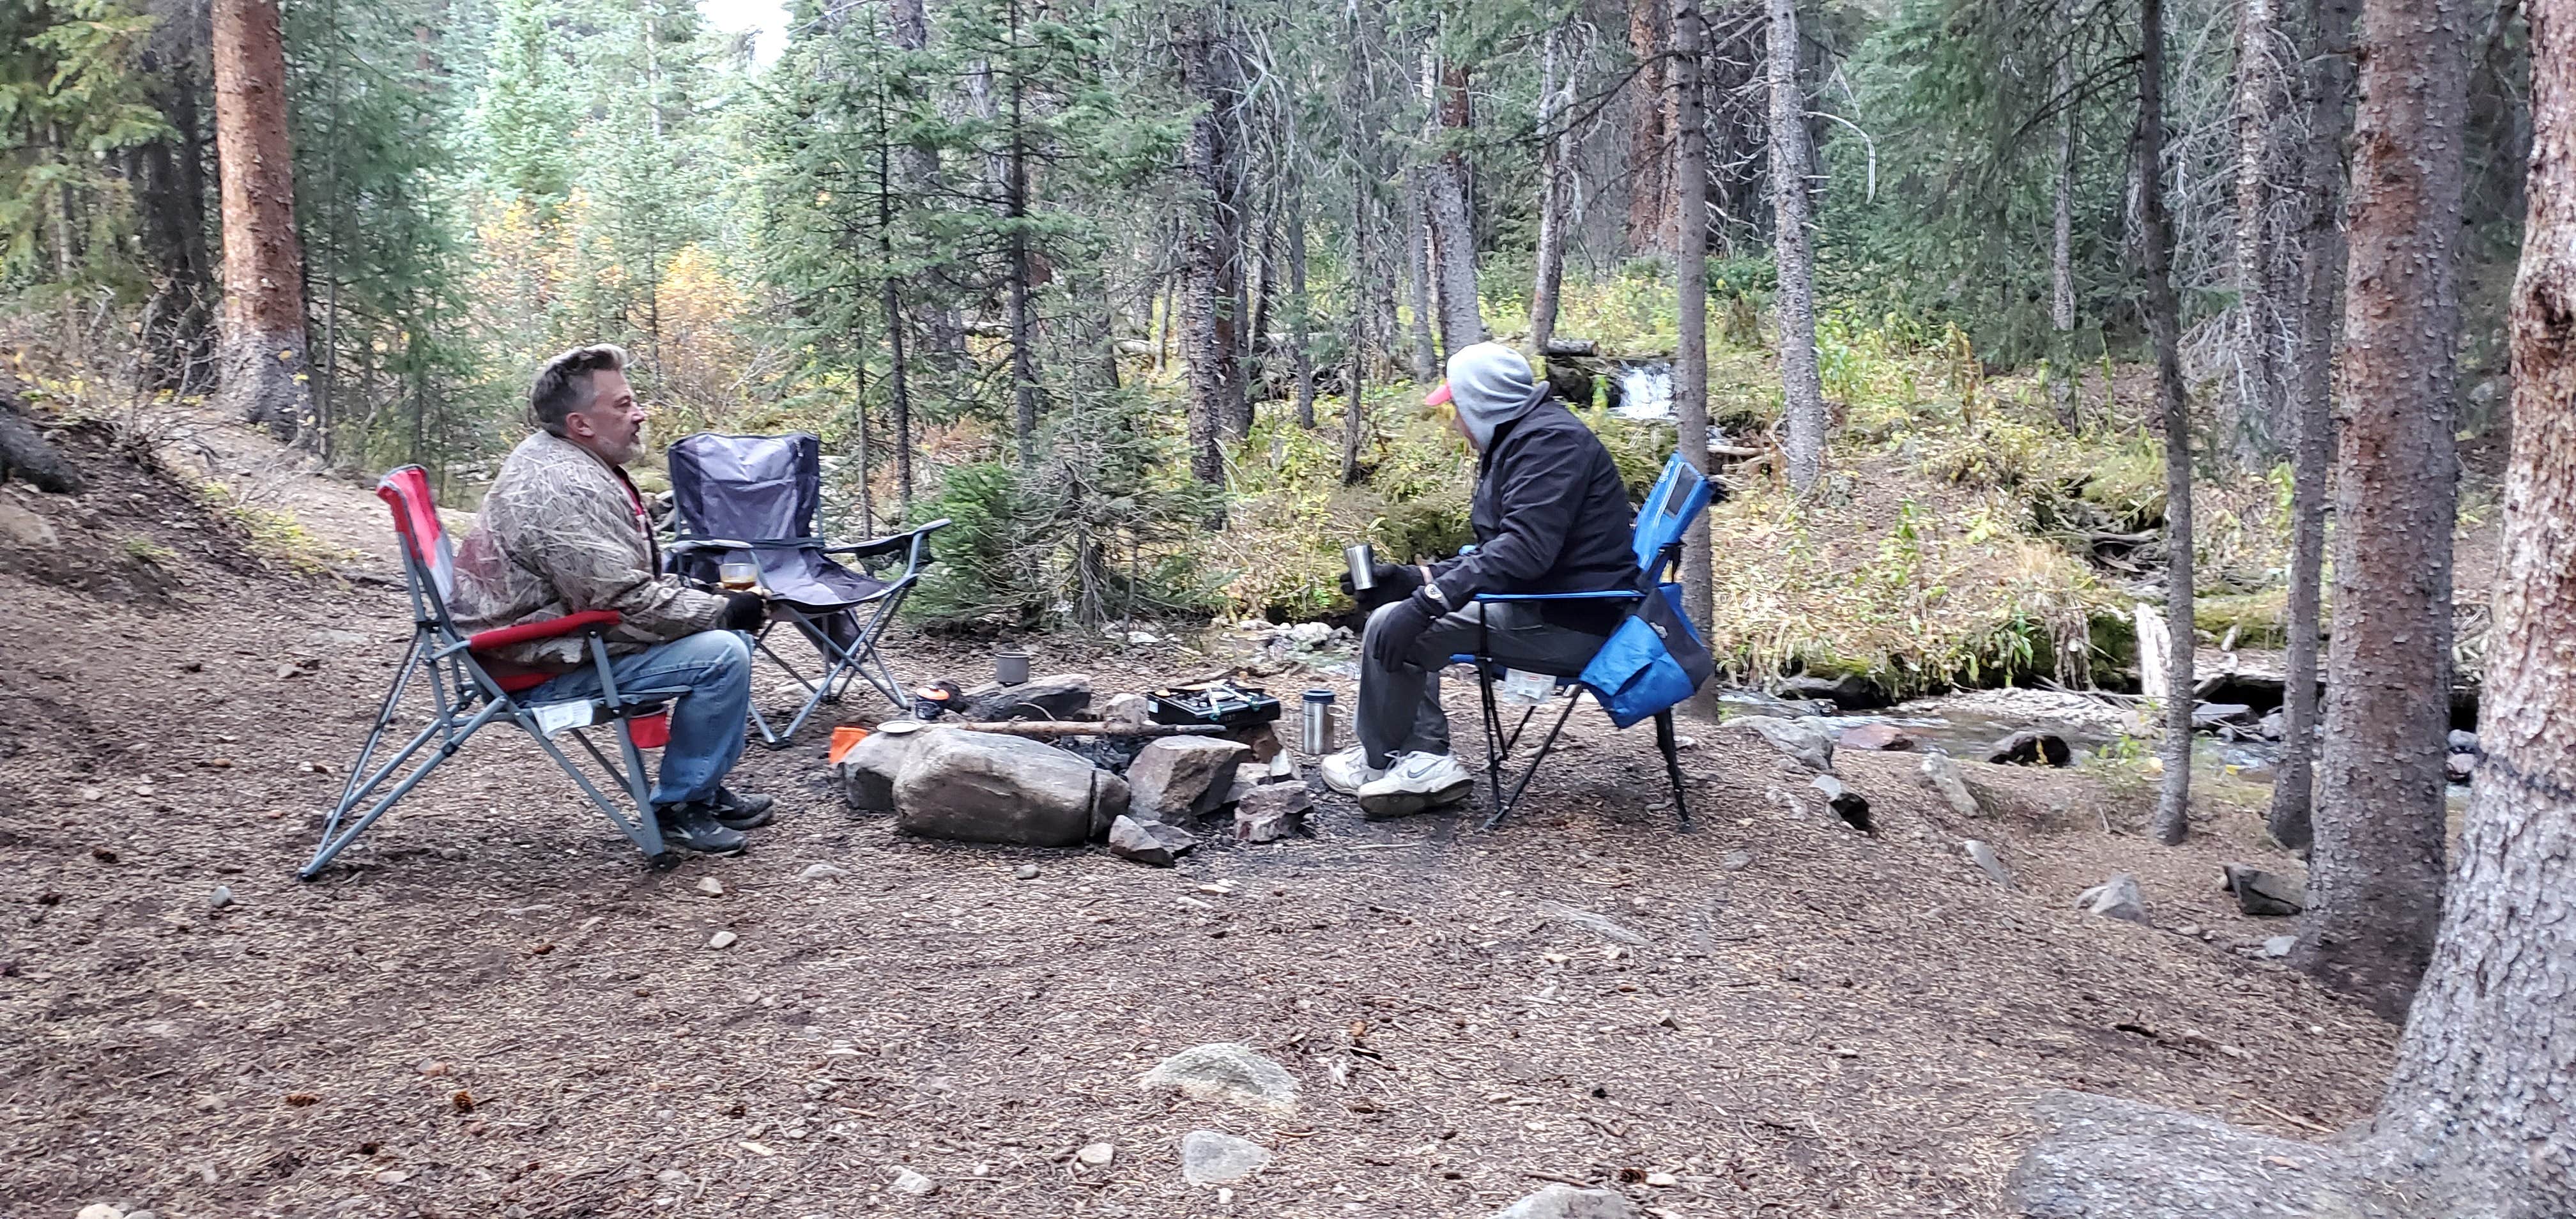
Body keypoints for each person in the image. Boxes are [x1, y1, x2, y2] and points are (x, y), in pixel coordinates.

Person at [448, 344, 773, 853]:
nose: (639, 413)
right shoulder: (562, 487)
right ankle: (681, 807)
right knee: (723, 653)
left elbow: (617, 588)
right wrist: (721, 608)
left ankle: (700, 787)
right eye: (623, 406)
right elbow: (624, 602)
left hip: (552, 640)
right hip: (536, 665)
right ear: (580, 423)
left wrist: (706, 603)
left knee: (723, 635)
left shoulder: (565, 456)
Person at [1320, 342, 1639, 817]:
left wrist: (1427, 600)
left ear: (1481, 403)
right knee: (1400, 611)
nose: (1454, 421)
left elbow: (1524, 552)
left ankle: (1401, 760)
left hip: (1573, 623)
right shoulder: (1526, 438)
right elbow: (1501, 552)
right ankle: (1409, 755)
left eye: (1457, 408)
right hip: (1548, 603)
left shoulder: (1551, 445)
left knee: (1396, 624)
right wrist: (1414, 577)